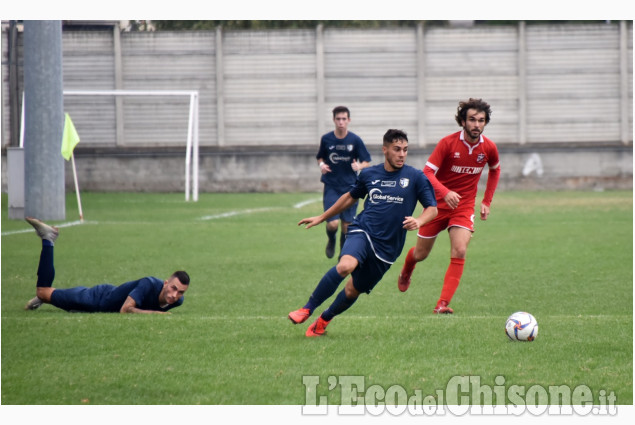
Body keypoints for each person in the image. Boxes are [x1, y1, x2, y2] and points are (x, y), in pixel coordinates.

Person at [289, 129, 438, 337]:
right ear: (384, 150)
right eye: (397, 149)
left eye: (405, 150)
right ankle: (306, 308)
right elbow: (350, 197)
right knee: (345, 265)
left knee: (352, 290)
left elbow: (432, 208)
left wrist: (419, 220)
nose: (402, 154)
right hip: (363, 230)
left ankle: (324, 319)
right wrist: (322, 217)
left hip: (387, 249)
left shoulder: (415, 177)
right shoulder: (369, 174)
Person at [397, 98, 501, 314]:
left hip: (463, 207)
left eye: (481, 120)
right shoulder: (447, 144)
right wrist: (445, 192)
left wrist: (486, 201)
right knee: (421, 254)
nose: (476, 124)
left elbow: (495, 169)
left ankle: (442, 304)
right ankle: (408, 268)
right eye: (472, 119)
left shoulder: (489, 147)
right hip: (435, 206)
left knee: (460, 249)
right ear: (463, 121)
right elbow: (426, 172)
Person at [23, 217, 189, 314]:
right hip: (96, 299)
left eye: (180, 292)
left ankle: (44, 299)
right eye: (173, 288)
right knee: (43, 292)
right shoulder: (149, 284)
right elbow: (125, 310)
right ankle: (48, 239)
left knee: (51, 297)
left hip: (106, 298)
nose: (175, 295)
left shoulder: (177, 302)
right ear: (166, 283)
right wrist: (156, 315)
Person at [316, 106, 372, 258]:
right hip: (332, 186)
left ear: (349, 120)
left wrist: (359, 166)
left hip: (350, 187)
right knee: (333, 224)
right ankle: (331, 239)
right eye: (338, 119)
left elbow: (367, 161)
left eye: (344, 119)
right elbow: (320, 157)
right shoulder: (326, 139)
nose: (341, 122)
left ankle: (343, 251)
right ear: (334, 120)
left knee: (347, 227)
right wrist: (322, 165)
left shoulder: (355, 140)